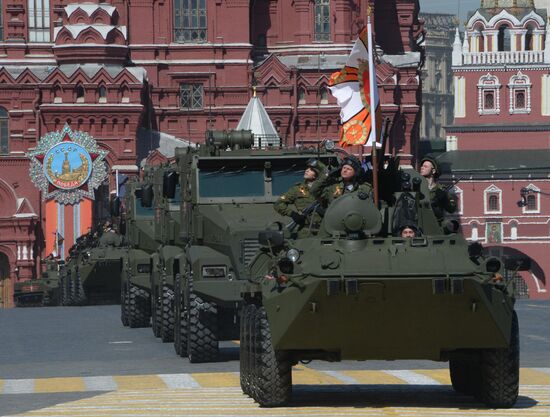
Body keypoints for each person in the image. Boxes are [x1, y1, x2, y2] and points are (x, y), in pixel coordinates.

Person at [274, 159, 324, 238]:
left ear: (316, 175)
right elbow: (278, 203)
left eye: (311, 170)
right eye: (307, 168)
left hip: (324, 231)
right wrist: (293, 214)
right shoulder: (297, 189)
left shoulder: (326, 189)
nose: (307, 170)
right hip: (305, 231)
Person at [420, 156, 457, 221]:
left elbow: (452, 209)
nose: (422, 168)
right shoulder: (418, 187)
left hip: (436, 223)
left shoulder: (441, 189)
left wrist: (444, 198)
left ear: (433, 171)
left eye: (425, 166)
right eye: (422, 166)